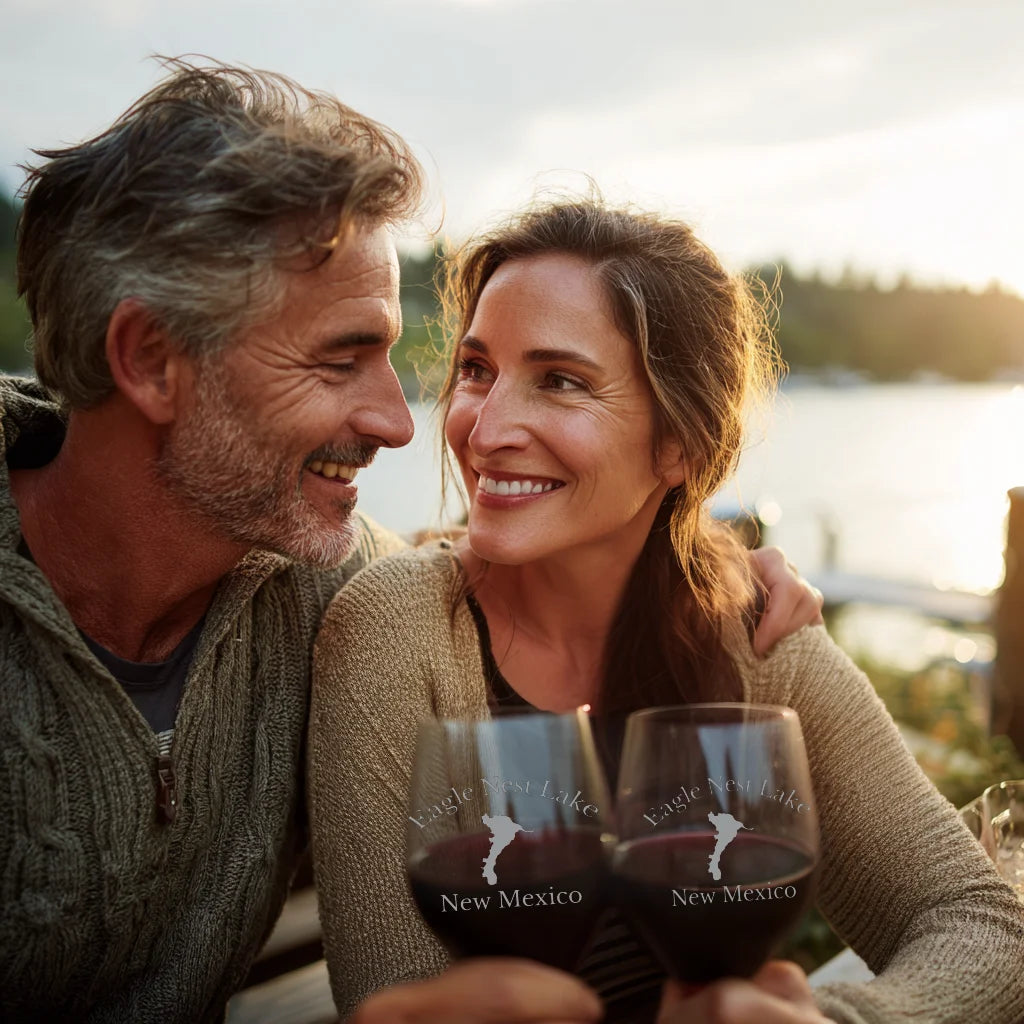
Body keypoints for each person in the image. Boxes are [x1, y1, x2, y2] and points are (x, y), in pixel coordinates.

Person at [0, 60, 819, 1020]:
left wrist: (691, 554)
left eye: (396, 356)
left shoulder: (321, 582)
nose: (400, 422)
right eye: (341, 359)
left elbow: (457, 569)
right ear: (151, 360)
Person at [309, 199, 1024, 1023]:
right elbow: (399, 1007)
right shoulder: (397, 632)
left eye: (561, 381)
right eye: (477, 369)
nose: (485, 427)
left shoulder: (750, 629)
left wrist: (833, 1022)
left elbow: (978, 922)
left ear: (679, 445)